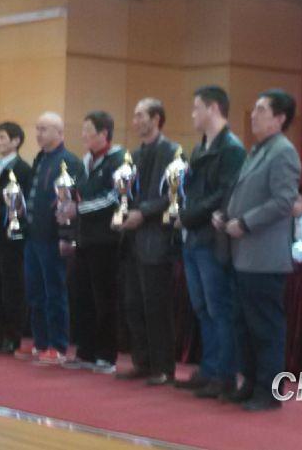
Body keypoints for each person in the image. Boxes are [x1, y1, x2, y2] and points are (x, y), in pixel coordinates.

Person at [215, 89, 300, 411]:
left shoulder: (283, 152)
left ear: (280, 118)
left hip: (265, 256)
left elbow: (283, 201)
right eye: (254, 109)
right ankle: (249, 382)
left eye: (262, 110)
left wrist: (246, 223)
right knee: (244, 325)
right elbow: (245, 194)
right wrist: (225, 215)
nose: (253, 115)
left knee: (265, 328)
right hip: (243, 254)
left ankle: (269, 390)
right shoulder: (257, 150)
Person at [175, 86, 246, 399]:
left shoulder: (231, 149)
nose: (193, 114)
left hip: (212, 238)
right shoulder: (200, 147)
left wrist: (189, 216)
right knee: (202, 307)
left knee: (219, 308)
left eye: (197, 108)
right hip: (193, 237)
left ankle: (224, 374)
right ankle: (209, 367)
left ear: (213, 108)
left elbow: (225, 193)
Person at [114, 98, 180, 386]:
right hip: (131, 239)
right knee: (133, 304)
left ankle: (163, 366)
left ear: (156, 119)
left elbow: (174, 195)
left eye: (141, 115)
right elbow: (127, 192)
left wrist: (143, 212)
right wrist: (123, 213)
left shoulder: (173, 152)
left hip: (156, 237)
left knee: (156, 305)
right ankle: (142, 361)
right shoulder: (134, 155)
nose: (136, 121)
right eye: (135, 116)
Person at [15, 112, 85, 365]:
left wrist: (66, 236)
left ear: (59, 132)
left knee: (54, 292)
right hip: (33, 236)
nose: (38, 134)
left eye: (44, 129)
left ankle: (58, 344)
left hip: (53, 238)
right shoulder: (40, 159)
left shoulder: (70, 162)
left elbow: (72, 203)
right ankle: (41, 341)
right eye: (37, 128)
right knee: (35, 292)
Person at [60, 111, 125, 374]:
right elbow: (78, 195)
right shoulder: (85, 161)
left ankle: (106, 356)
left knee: (104, 300)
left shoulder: (118, 160)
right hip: (84, 239)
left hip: (107, 241)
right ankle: (85, 351)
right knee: (81, 296)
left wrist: (79, 209)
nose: (83, 135)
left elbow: (113, 198)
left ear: (104, 134)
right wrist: (66, 209)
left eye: (88, 130)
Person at [0, 122, 32, 354]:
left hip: (12, 233)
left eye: (3, 137)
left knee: (12, 284)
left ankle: (13, 335)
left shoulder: (23, 169)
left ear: (16, 141)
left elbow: (19, 205)